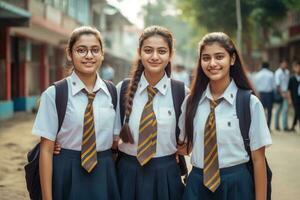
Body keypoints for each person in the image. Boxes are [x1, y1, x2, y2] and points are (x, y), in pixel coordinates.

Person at [178, 32, 272, 200]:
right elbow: (185, 147)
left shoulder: (249, 103)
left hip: (237, 185)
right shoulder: (191, 103)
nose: (212, 63)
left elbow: (258, 161)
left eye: (219, 56)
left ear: (232, 59)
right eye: (206, 58)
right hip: (197, 185)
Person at [32, 26, 120, 200]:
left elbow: (117, 141)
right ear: (69, 54)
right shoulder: (55, 93)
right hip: (66, 169)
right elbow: (46, 151)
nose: (89, 56)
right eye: (81, 50)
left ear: (102, 54)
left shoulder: (112, 92)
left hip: (104, 171)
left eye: (95, 50)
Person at [114, 25, 188, 200]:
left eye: (162, 51)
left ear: (171, 54)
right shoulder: (122, 89)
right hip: (127, 172)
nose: (155, 56)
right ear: (139, 52)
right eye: (148, 50)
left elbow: (188, 142)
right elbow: (110, 136)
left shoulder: (182, 92)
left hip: (166, 174)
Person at [253, 62, 275, 128]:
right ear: (268, 66)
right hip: (269, 94)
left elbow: (255, 86)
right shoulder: (271, 74)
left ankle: (261, 127)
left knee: (261, 111)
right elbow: (273, 86)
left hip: (260, 94)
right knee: (269, 111)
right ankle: (268, 126)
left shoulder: (257, 74)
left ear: (262, 66)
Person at [274, 59, 290, 131]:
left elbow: (288, 83)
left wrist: (288, 94)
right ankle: (276, 125)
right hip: (280, 93)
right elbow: (277, 85)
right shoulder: (278, 72)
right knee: (278, 110)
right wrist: (282, 94)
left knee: (285, 110)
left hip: (286, 92)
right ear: (280, 64)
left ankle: (285, 126)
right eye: (283, 64)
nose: (285, 65)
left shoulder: (287, 72)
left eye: (286, 64)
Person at [288, 60, 300, 132]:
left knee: (297, 112)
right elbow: (289, 90)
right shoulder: (292, 78)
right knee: (298, 112)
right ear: (294, 68)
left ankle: (293, 126)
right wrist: (290, 99)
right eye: (297, 67)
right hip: (295, 98)